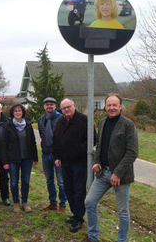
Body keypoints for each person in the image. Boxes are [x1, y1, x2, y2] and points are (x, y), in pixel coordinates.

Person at [83, 93, 138, 242]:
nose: (112, 108)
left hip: (120, 177)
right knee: (89, 202)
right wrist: (96, 161)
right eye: (109, 105)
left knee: (122, 211)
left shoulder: (127, 125)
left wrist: (118, 173)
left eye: (115, 105)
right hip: (103, 173)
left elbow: (132, 152)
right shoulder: (102, 122)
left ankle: (122, 240)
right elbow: (100, 146)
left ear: (120, 106)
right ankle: (93, 236)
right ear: (105, 106)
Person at [53, 98, 97, 233]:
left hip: (79, 163)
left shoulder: (84, 120)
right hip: (65, 163)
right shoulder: (60, 122)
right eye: (63, 108)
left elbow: (93, 139)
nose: (66, 109)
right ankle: (74, 214)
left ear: (74, 106)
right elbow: (56, 141)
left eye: (68, 107)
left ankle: (79, 218)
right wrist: (57, 157)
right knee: (68, 189)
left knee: (79, 191)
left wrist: (79, 150)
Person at [2, 104, 38, 213]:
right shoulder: (8, 125)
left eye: (20, 111)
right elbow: (4, 144)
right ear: (12, 113)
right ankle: (16, 203)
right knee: (13, 182)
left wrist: (35, 157)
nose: (18, 112)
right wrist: (5, 161)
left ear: (23, 112)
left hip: (27, 158)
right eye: (16, 111)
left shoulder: (28, 125)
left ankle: (25, 203)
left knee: (25, 181)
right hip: (13, 159)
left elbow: (32, 142)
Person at [38, 97, 67, 214]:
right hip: (45, 154)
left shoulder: (61, 118)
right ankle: (52, 203)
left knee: (61, 181)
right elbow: (42, 135)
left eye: (51, 104)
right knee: (49, 180)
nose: (49, 106)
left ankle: (63, 204)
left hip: (58, 156)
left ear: (55, 106)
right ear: (44, 106)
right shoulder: (41, 119)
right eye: (47, 105)